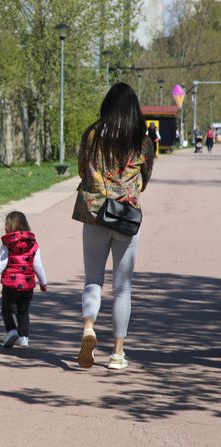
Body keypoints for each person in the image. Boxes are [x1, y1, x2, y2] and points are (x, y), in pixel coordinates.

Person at [72, 82, 154, 370]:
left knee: (93, 279)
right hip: (127, 217)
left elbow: (83, 169)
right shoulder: (141, 141)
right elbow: (145, 178)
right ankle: (118, 353)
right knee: (122, 288)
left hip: (95, 214)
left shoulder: (92, 135)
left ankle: (89, 328)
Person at [0, 211, 47, 349]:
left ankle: (11, 331)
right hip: (27, 285)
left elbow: (1, 263)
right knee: (23, 311)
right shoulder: (33, 243)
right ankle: (24, 337)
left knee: (7, 310)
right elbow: (37, 265)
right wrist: (43, 282)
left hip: (10, 284)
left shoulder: (7, 243)